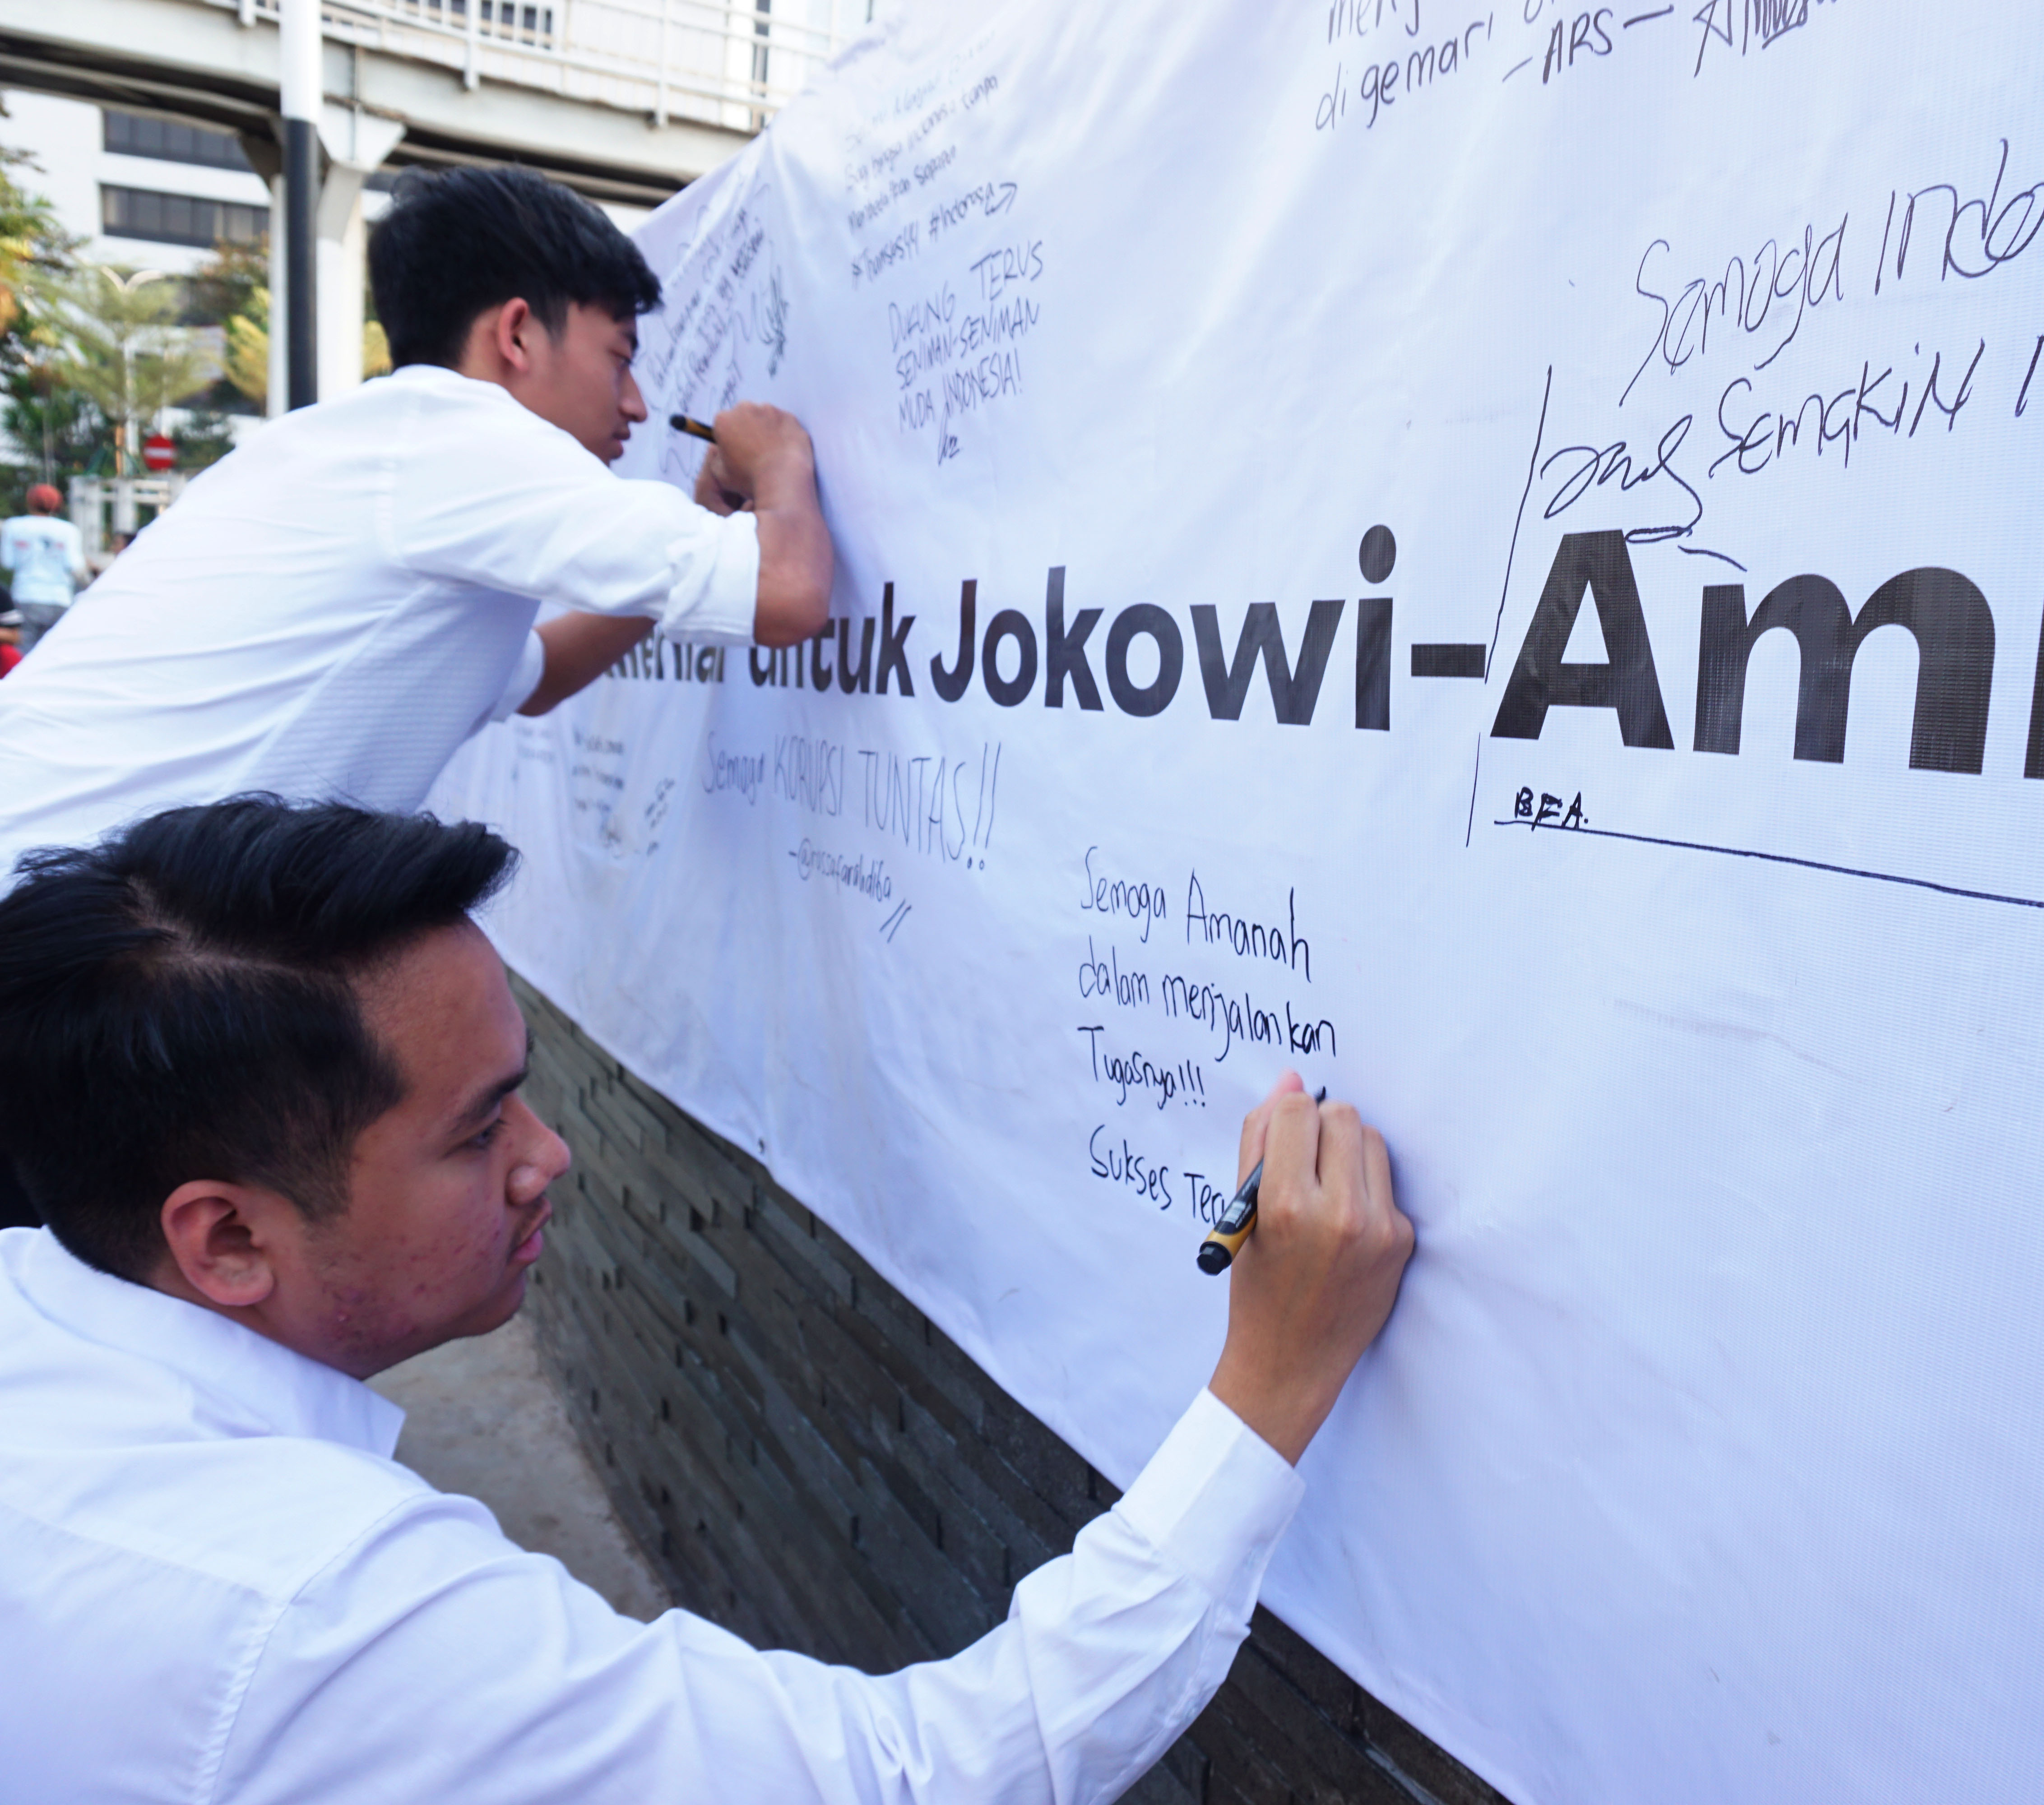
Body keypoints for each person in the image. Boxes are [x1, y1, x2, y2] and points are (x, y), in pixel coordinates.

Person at [0, 797, 1416, 1805]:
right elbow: (927, 1774)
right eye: (477, 1128)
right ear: (228, 1237)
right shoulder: (323, 1623)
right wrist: (1268, 1385)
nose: (547, 1155)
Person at [0, 165, 833, 880]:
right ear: (515, 333)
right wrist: (782, 458)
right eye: (619, 357)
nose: (637, 403)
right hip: (58, 933)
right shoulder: (458, 438)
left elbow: (537, 678)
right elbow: (788, 596)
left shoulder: (381, 449)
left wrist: (700, 514)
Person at [0, 481, 86, 644]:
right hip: (60, 598)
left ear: (30, 501)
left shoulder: (14, 526)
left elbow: (8, 562)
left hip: (26, 594)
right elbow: (74, 565)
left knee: (25, 652)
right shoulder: (69, 530)